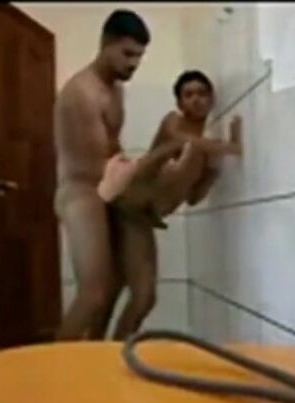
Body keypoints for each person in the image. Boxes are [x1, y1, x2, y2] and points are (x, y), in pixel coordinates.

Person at [53, 9, 186, 341]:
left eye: (139, 56)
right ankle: (54, 366)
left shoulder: (115, 89)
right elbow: (94, 166)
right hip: (82, 191)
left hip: (110, 185)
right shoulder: (81, 93)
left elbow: (112, 152)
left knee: (127, 289)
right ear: (105, 43)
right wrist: (152, 171)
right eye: (127, 54)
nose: (133, 64)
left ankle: (98, 359)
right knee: (94, 292)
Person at [92, 70, 243, 340]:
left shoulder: (204, 152)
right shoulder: (174, 123)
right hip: (128, 209)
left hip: (141, 216)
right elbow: (182, 140)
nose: (196, 99)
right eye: (188, 94)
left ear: (211, 99)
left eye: (202, 93)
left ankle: (102, 351)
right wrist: (227, 146)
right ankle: (109, 353)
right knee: (141, 295)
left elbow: (193, 198)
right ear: (179, 103)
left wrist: (213, 172)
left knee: (126, 291)